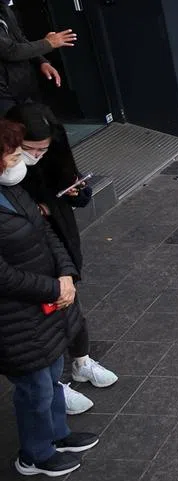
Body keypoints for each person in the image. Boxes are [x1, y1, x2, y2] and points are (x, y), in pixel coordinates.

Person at [2, 103, 117, 415]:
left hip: (57, 242)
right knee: (42, 325)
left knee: (72, 306)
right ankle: (56, 386)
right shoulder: (10, 178)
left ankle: (80, 362)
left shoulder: (53, 155)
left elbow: (72, 193)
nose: (35, 156)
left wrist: (77, 192)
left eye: (43, 149)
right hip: (26, 263)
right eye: (28, 150)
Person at [0, 119, 100, 476]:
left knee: (52, 374)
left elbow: (46, 232)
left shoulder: (12, 190)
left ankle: (58, 434)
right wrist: (55, 288)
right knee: (35, 388)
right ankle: (35, 454)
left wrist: (65, 273)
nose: (20, 161)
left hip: (46, 306)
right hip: (15, 318)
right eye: (13, 155)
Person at [0, 0, 75, 116]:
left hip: (19, 86)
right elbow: (9, 50)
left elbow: (19, 37)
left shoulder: (4, 5)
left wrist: (41, 60)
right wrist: (48, 43)